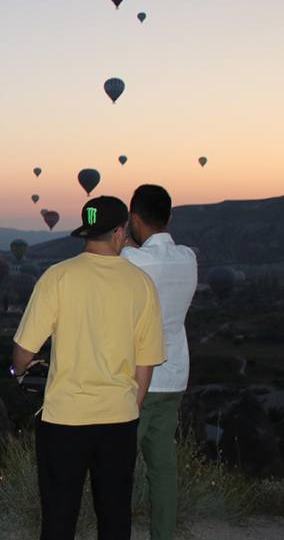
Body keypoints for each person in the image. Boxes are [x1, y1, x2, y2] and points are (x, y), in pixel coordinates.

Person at [12, 196, 165, 540]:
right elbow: (146, 362)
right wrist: (131, 407)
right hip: (118, 419)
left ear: (86, 232)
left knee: (59, 513)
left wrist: (21, 371)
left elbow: (23, 350)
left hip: (64, 418)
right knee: (114, 514)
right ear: (120, 232)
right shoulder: (142, 284)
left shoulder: (57, 277)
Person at [123, 185, 197, 540]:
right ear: (170, 217)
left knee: (120, 466)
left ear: (134, 219)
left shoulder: (131, 261)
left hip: (138, 377)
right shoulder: (188, 258)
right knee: (163, 467)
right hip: (175, 375)